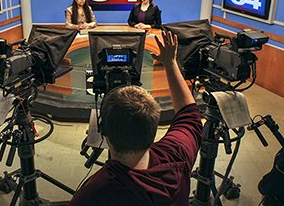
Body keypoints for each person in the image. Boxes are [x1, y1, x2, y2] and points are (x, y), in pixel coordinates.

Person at [70, 31, 203, 205]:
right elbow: (190, 115)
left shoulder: (92, 195)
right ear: (152, 129)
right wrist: (171, 63)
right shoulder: (177, 156)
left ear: (103, 131)